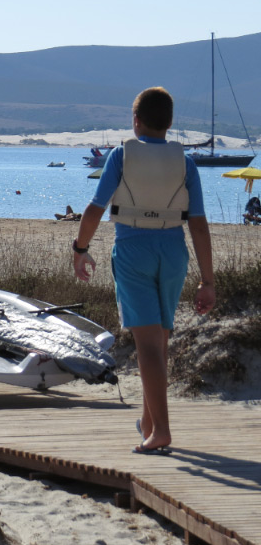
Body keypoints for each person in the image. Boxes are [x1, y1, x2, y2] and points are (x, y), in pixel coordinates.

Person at [72, 87, 215, 455]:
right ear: (169, 123)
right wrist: (208, 280)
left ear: (135, 121)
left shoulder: (121, 156)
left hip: (134, 248)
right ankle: (149, 423)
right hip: (173, 250)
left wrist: (81, 249)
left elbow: (94, 209)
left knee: (147, 342)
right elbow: (198, 224)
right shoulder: (187, 162)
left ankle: (161, 431)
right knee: (160, 340)